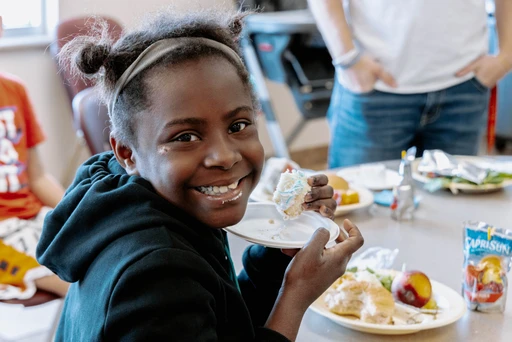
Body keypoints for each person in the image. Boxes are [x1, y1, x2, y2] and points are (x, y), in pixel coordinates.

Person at [36, 8, 364, 342]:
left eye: (238, 125)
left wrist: (282, 250)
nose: (224, 156)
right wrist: (295, 297)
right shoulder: (157, 278)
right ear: (127, 153)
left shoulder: (149, 203)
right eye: (185, 137)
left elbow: (221, 321)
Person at [308, 0, 512, 167]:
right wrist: (347, 59)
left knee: (455, 209)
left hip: (465, 88)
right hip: (375, 90)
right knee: (355, 205)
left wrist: (506, 57)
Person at [0, 16, 68, 300]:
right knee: (71, 284)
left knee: (105, 252)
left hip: (33, 217)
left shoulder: (14, 90)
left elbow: (38, 177)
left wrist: (76, 210)